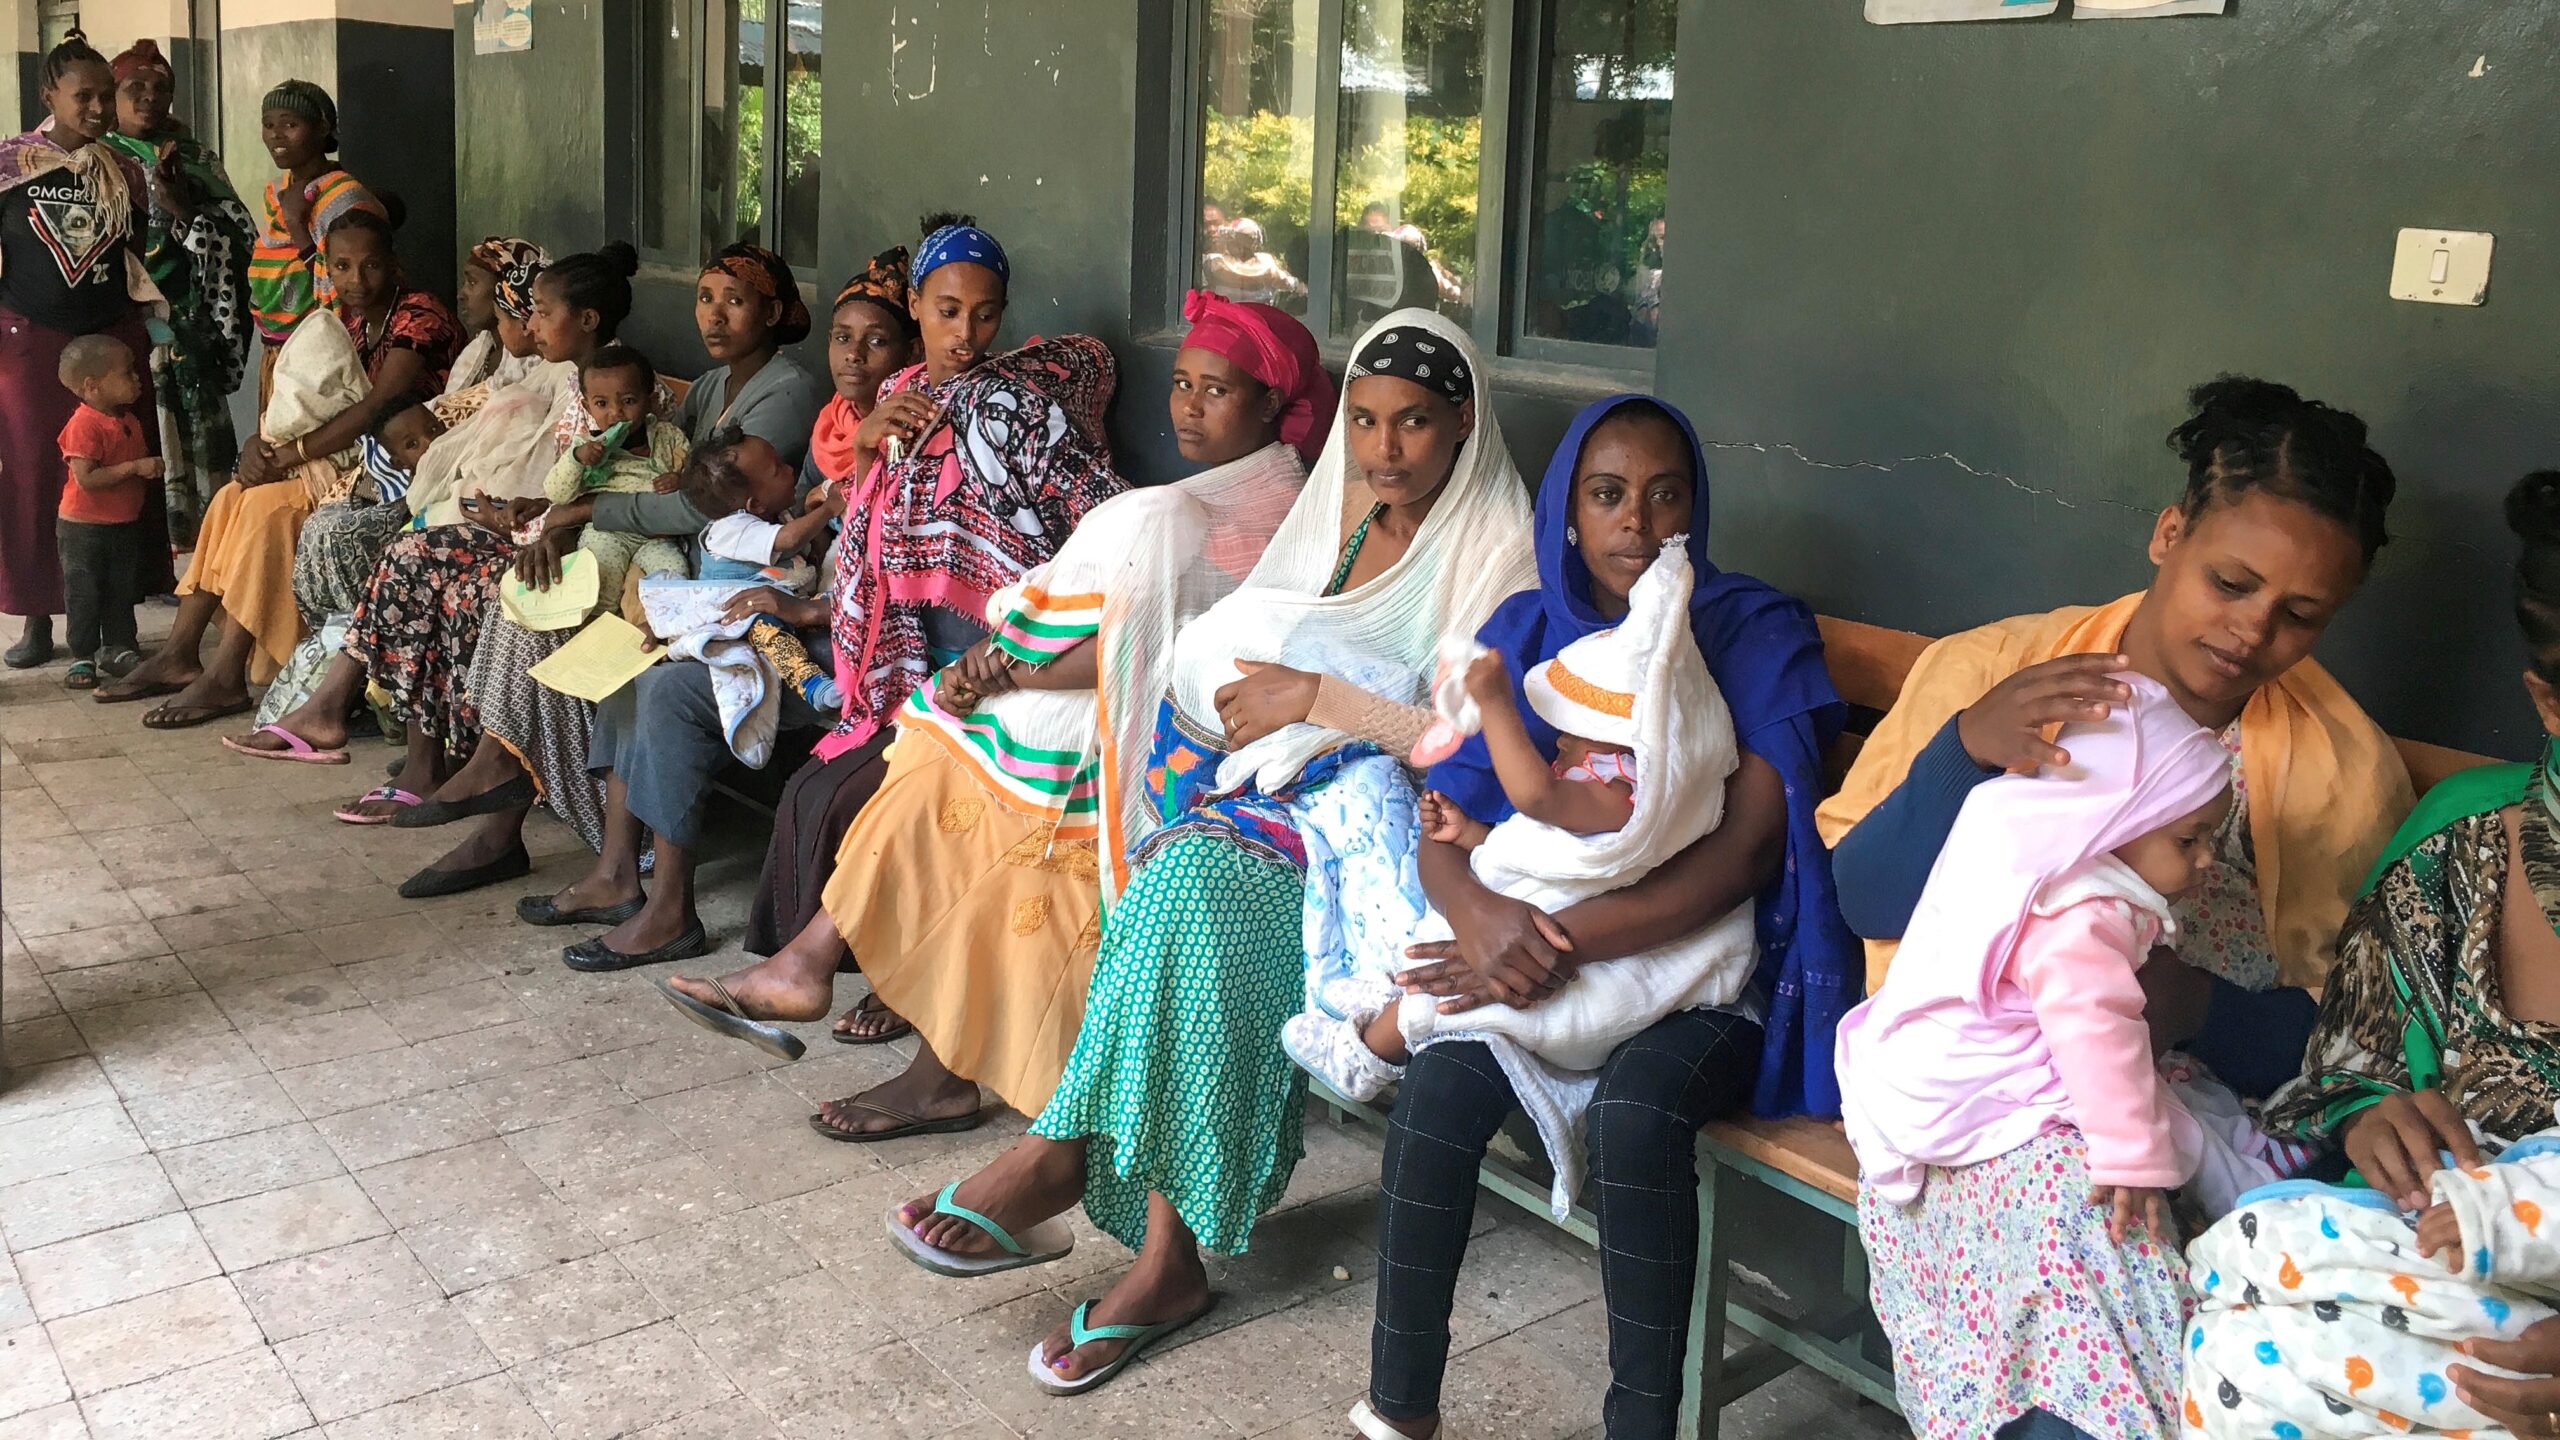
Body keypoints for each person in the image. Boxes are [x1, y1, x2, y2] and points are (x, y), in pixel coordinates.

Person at [872, 310, 1532, 1398]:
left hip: (1399, 846)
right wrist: (1241, 705)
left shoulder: (1492, 547)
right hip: (1270, 801)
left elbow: (1465, 750)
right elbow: (1255, 634)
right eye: (1364, 421)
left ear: (1461, 423)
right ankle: (1147, 1243)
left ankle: (1079, 1169)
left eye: (1413, 423)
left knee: (1192, 896)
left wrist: (1316, 700)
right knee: (1177, 887)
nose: (1383, 449)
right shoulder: (1348, 511)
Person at [1816, 377, 2413, 1440]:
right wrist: (1962, 752)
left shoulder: (2335, 768)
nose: (2248, 633)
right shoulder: (1997, 674)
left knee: (2140, 1250)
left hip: (2197, 1109)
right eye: (2229, 581)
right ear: (2167, 533)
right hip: (1968, 1106)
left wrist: (2191, 1010)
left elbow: (2336, 1035)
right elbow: (1864, 899)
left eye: (2299, 616)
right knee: (2083, 1232)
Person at [655, 289, 1329, 1153]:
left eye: (1216, 391)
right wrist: (996, 668)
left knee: (981, 798)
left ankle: (887, 1031)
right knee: (936, 761)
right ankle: (814, 965)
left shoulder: (1270, 513)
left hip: (1176, 733)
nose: (1188, 408)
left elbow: (1162, 654)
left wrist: (1002, 664)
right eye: (1183, 384)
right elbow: (1119, 627)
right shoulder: (1203, 494)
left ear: (1271, 403)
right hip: (1099, 692)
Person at [1351, 394, 1853, 1440]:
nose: (1637, 521)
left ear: (1694, 512)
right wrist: (1483, 920)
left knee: (1638, 1112)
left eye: (1664, 495)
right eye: (1608, 494)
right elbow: (1443, 828)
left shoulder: (1748, 630)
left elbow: (1749, 847)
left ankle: (1641, 1426)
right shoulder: (1526, 633)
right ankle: (1399, 1412)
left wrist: (1547, 944)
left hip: (1701, 973)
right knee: (1441, 1085)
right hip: (1529, 952)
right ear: (1568, 515)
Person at [524, 221, 1127, 969]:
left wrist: (804, 604)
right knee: (647, 679)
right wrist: (867, 453)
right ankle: (633, 881)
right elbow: (865, 527)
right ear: (919, 305)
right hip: (845, 622)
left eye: (984, 313)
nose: (965, 333)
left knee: (679, 695)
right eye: (945, 310)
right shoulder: (891, 407)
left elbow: (1043, 538)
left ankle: (680, 911)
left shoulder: (1006, 413)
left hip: (907, 651)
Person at [378, 239, 830, 891]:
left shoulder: (786, 390)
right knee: (527, 607)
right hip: (670, 573)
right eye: (705, 299)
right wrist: (559, 506)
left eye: (735, 301)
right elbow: (650, 473)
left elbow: (706, 506)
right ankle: (499, 796)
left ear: (774, 312)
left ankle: (510, 804)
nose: (714, 315)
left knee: (560, 629)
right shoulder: (707, 387)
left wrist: (581, 515)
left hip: (711, 582)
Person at [1287, 545, 1761, 1139]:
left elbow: (1537, 800)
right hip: (1538, 913)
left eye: (1573, 736)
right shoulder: (1599, 786)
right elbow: (1541, 846)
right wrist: (1473, 835)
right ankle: (1389, 991)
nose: (1557, 746)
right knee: (1443, 945)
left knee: (1446, 997)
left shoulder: (1623, 796)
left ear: (1622, 742)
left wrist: (1495, 704)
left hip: (1573, 964)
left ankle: (1365, 1053)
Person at [222, 245, 636, 806]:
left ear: (586, 320)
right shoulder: (566, 377)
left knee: (437, 574)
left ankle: (398, 748)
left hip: (571, 549)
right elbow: (554, 481)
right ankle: (376, 735)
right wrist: (516, 508)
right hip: (533, 528)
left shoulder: (610, 387)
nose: (531, 323)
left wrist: (529, 517)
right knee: (413, 553)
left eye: (541, 311)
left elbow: (616, 485)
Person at [101, 204, 459, 727]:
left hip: (398, 471)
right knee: (231, 495)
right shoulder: (346, 320)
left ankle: (225, 676)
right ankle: (180, 651)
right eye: (341, 267)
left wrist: (287, 455)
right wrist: (258, 444)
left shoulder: (419, 315)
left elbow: (376, 406)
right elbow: (308, 401)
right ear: (326, 268)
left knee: (269, 510)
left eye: (371, 265)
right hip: (345, 461)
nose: (355, 279)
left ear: (394, 263)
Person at [246, 236, 549, 732]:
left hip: (475, 489)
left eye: (478, 286)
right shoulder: (484, 349)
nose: (466, 294)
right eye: (341, 266)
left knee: (372, 540)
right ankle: (343, 688)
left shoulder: (540, 369)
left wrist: (295, 454)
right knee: (307, 517)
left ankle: (374, 703)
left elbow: (485, 442)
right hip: (428, 468)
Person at [0, 32, 165, 670]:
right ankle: (37, 617)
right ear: (49, 96)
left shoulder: (123, 169)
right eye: (82, 96)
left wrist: (145, 330)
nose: (97, 109)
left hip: (110, 338)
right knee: (36, 475)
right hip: (30, 339)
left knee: (120, 471)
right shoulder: (12, 165)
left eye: (106, 96)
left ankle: (114, 625)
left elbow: (132, 254)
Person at [100, 39, 253, 548]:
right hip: (122, 324)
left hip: (191, 323)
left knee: (197, 441)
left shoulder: (197, 158)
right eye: (134, 87)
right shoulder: (94, 159)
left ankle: (202, 550)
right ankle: (145, 557)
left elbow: (240, 237)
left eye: (160, 88)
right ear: (111, 95)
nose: (148, 97)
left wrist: (184, 210)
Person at [244, 80, 379, 404]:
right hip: (276, 348)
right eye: (268, 125)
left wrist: (295, 222)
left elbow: (343, 280)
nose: (276, 134)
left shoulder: (342, 196)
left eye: (290, 124)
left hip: (317, 357)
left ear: (321, 128)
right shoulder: (277, 190)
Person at [539, 343, 691, 605]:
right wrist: (577, 460)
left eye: (628, 401)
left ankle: (667, 630)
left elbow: (695, 474)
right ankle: (599, 632)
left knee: (674, 577)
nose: (615, 413)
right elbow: (556, 493)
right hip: (606, 532)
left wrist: (680, 480)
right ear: (587, 408)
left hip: (658, 534)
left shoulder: (668, 436)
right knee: (597, 580)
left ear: (650, 401)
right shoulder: (584, 446)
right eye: (601, 403)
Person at [53, 334, 161, 688]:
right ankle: (82, 655)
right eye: (128, 374)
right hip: (84, 528)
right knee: (84, 591)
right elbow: (87, 478)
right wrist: (134, 468)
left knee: (121, 589)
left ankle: (119, 647)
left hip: (123, 524)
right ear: (93, 386)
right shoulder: (84, 424)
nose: (137, 380)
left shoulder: (127, 419)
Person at [446, 235, 546, 397]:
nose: (461, 295)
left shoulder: (535, 361)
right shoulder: (475, 352)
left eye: (472, 283)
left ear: (508, 289)